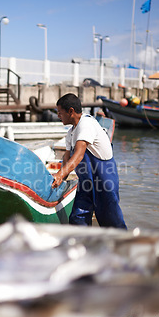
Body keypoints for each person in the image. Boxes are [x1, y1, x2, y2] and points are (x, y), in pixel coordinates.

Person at [51, 93, 127, 229]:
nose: (58, 116)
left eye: (60, 112)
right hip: (86, 182)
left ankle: (125, 248)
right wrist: (59, 179)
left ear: (71, 111)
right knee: (77, 218)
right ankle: (81, 247)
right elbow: (67, 158)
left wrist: (60, 175)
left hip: (104, 179)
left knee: (111, 222)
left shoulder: (86, 124)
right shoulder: (71, 132)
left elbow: (79, 154)